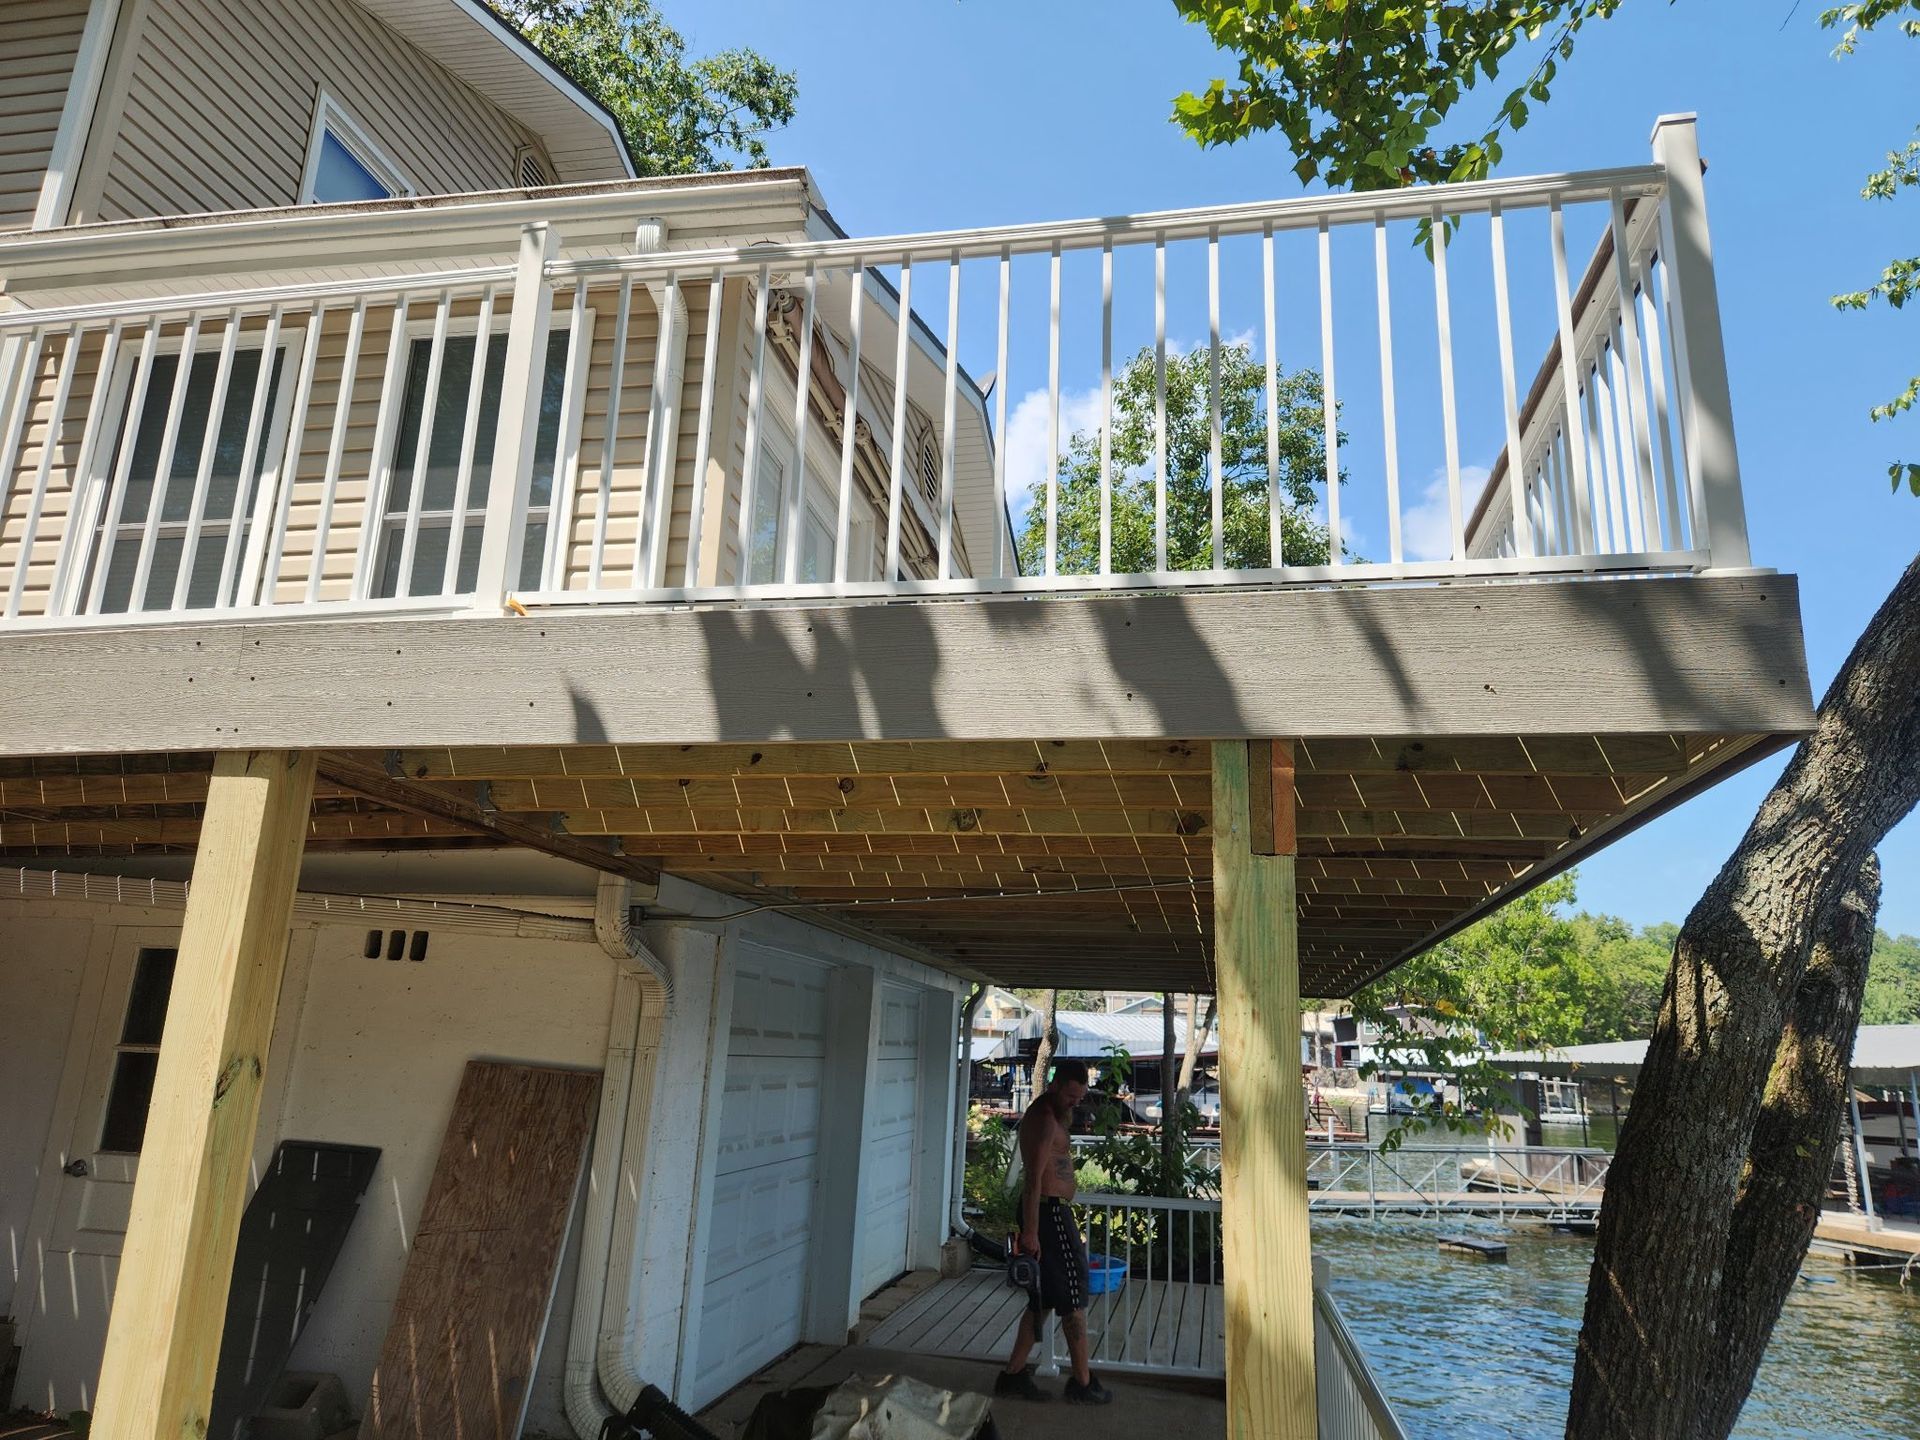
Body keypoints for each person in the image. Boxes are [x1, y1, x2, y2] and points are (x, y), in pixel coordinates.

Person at [994, 1058, 1114, 1406]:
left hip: (1050, 1213)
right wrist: (1030, 1233)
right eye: (1071, 1095)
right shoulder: (1045, 1120)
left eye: (1080, 1096)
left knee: (1042, 1301)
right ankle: (1082, 1383)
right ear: (1054, 1086)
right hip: (1047, 1216)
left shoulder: (1053, 1112)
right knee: (1073, 1297)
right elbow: (1033, 1180)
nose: (1075, 1102)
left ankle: (1012, 1376)